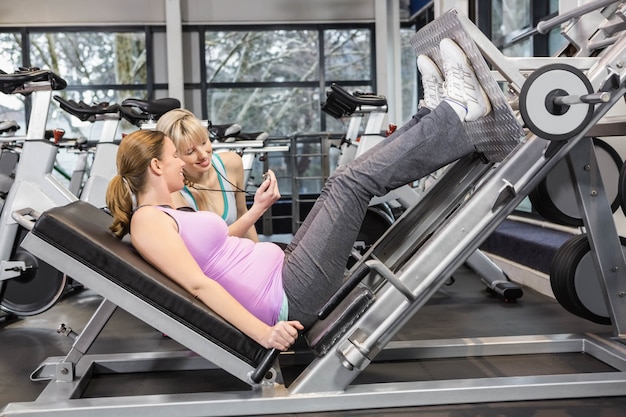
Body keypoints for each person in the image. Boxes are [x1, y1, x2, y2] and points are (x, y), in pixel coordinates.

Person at [106, 38, 491, 351]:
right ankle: (454, 111)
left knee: (340, 180)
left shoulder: (168, 208)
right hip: (288, 296)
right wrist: (263, 334)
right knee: (351, 184)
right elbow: (197, 284)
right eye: (176, 157)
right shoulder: (148, 221)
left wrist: (256, 210)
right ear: (156, 167)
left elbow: (218, 249)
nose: (182, 163)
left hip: (284, 272)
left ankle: (435, 114)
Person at [155, 108, 279, 241]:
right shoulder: (174, 191)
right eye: (190, 152)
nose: (203, 155)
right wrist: (259, 208)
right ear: (175, 155)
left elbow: (242, 213)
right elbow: (207, 244)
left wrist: (258, 252)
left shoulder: (232, 163)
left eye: (204, 142)